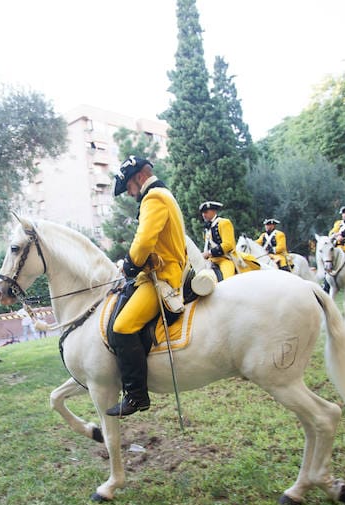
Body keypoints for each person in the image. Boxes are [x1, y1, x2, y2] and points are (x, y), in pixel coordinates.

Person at [105, 156, 187, 417]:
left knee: (122, 326)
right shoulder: (163, 194)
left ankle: (137, 396)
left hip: (163, 276)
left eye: (128, 187)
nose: (130, 194)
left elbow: (143, 242)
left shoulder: (153, 198)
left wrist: (129, 265)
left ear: (139, 177)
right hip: (156, 271)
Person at [200, 200, 258, 280]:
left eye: (206, 212)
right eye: (202, 213)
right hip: (210, 260)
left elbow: (228, 245)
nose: (204, 215)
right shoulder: (207, 229)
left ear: (213, 211)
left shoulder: (224, 223)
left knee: (227, 280)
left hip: (225, 259)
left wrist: (209, 253)